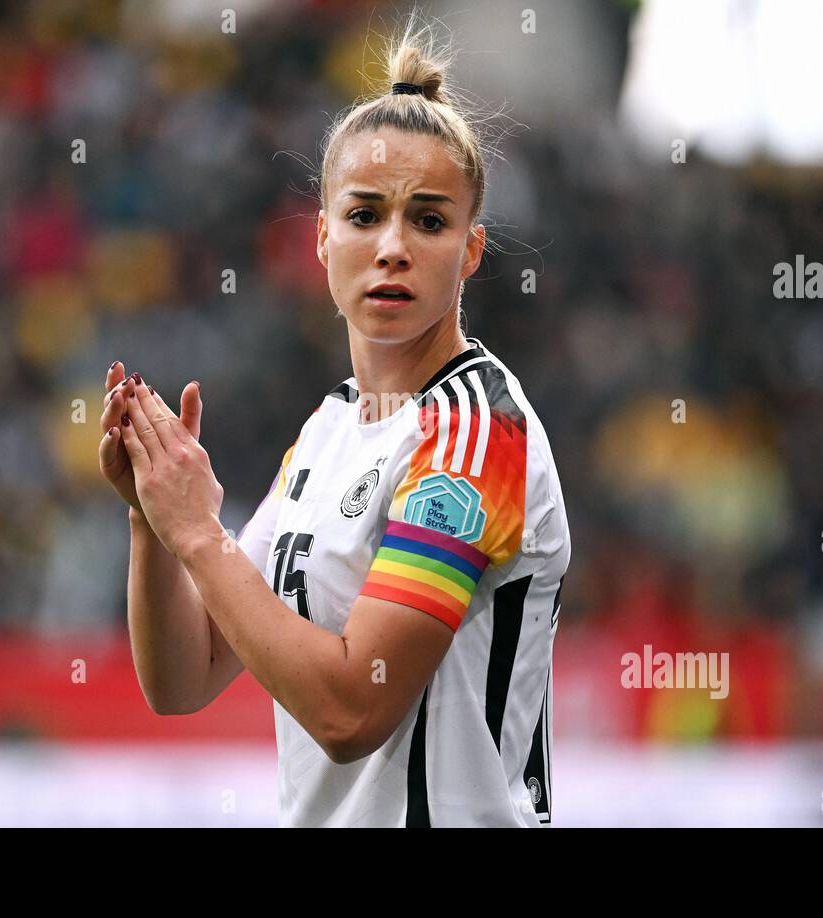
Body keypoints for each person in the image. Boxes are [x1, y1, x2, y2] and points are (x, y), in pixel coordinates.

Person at [97, 15, 570, 827]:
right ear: (321, 239)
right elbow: (183, 680)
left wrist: (202, 537)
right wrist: (154, 522)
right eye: (363, 216)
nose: (392, 247)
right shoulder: (329, 429)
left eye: (428, 220)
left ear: (472, 250)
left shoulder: (476, 435)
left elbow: (352, 712)